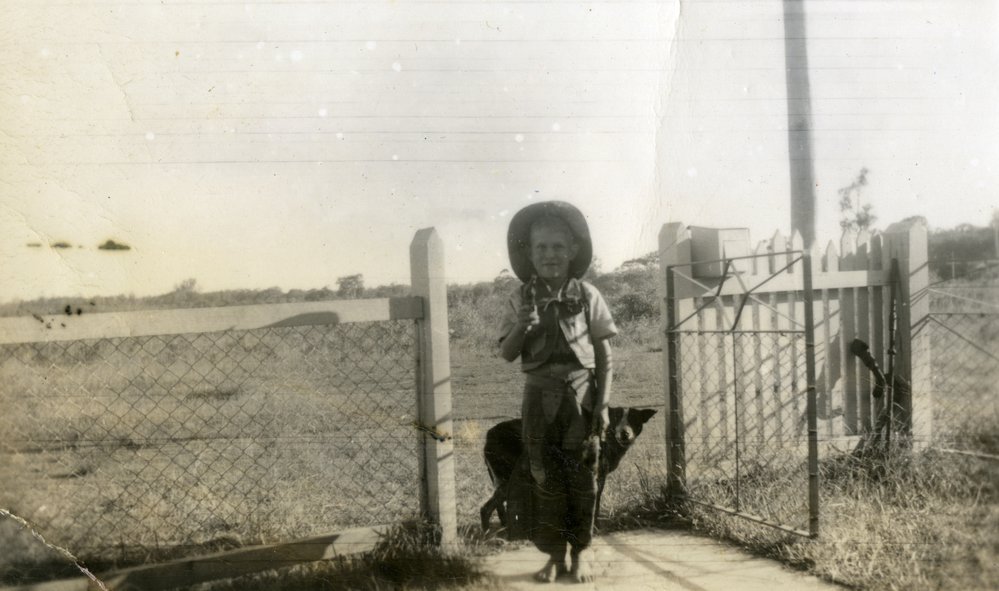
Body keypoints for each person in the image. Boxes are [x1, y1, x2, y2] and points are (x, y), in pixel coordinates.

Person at [497, 200, 617, 583]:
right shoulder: (519, 299)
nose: (550, 255)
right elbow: (506, 353)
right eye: (541, 248)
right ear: (528, 254)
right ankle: (553, 555)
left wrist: (603, 405)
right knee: (544, 478)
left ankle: (580, 552)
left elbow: (604, 356)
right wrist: (522, 326)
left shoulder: (587, 294)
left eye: (558, 247)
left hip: (581, 399)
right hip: (537, 399)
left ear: (573, 250)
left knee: (583, 479)